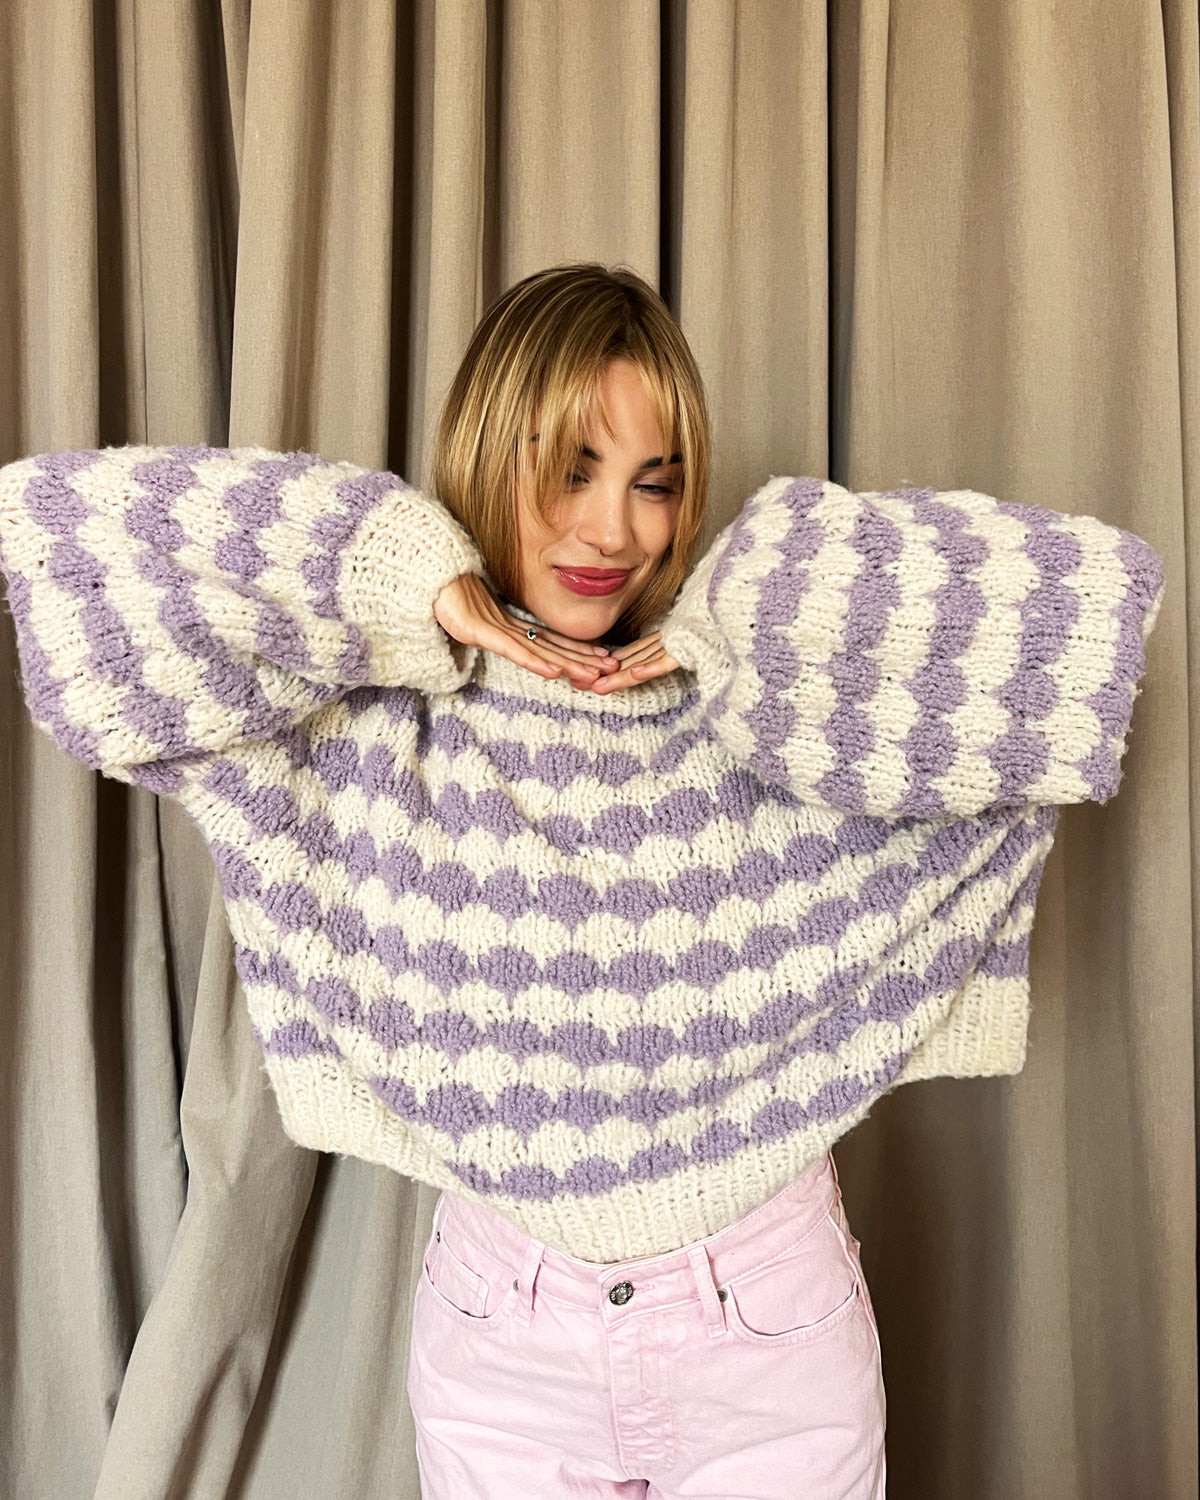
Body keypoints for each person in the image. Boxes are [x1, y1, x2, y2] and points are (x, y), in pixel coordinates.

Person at [0, 263, 1164, 1500]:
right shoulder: (370, 720)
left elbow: (1078, 616)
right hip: (504, 1341)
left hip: (769, 1332)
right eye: (570, 469)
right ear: (485, 450)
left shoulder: (770, 704)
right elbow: (63, 543)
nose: (615, 530)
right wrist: (402, 575)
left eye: (655, 482)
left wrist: (748, 612)